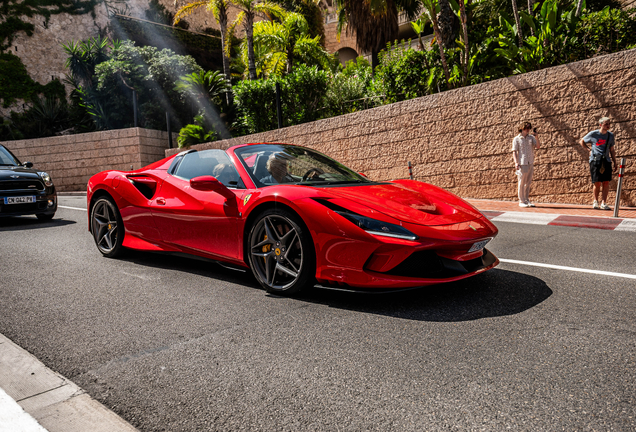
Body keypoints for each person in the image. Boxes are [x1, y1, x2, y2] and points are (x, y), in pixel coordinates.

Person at [579, 117, 618, 210]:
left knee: (606, 182)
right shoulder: (594, 134)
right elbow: (582, 141)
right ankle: (595, 201)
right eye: (606, 124)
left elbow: (612, 150)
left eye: (609, 124)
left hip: (606, 160)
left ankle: (604, 202)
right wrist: (589, 150)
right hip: (595, 160)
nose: (608, 125)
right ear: (600, 125)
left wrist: (615, 162)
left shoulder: (610, 135)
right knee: (596, 182)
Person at [512, 121, 541, 207]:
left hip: (530, 162)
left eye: (529, 128)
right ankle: (521, 201)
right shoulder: (516, 139)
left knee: (528, 182)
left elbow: (538, 146)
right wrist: (516, 162)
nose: (528, 129)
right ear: (522, 128)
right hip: (522, 163)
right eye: (526, 128)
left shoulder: (531, 138)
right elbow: (514, 151)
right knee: (521, 182)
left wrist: (536, 137)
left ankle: (526, 199)